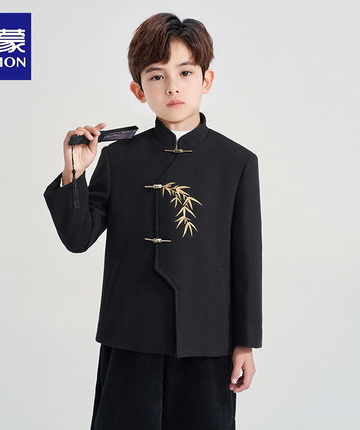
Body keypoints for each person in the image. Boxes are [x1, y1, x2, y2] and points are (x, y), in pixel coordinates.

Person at [44, 12, 262, 430]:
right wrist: (74, 171)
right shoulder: (119, 158)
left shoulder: (236, 162)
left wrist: (245, 343)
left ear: (207, 80)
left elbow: (247, 261)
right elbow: (77, 237)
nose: (172, 87)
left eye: (185, 72)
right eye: (157, 76)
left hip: (208, 338)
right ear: (138, 89)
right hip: (130, 334)